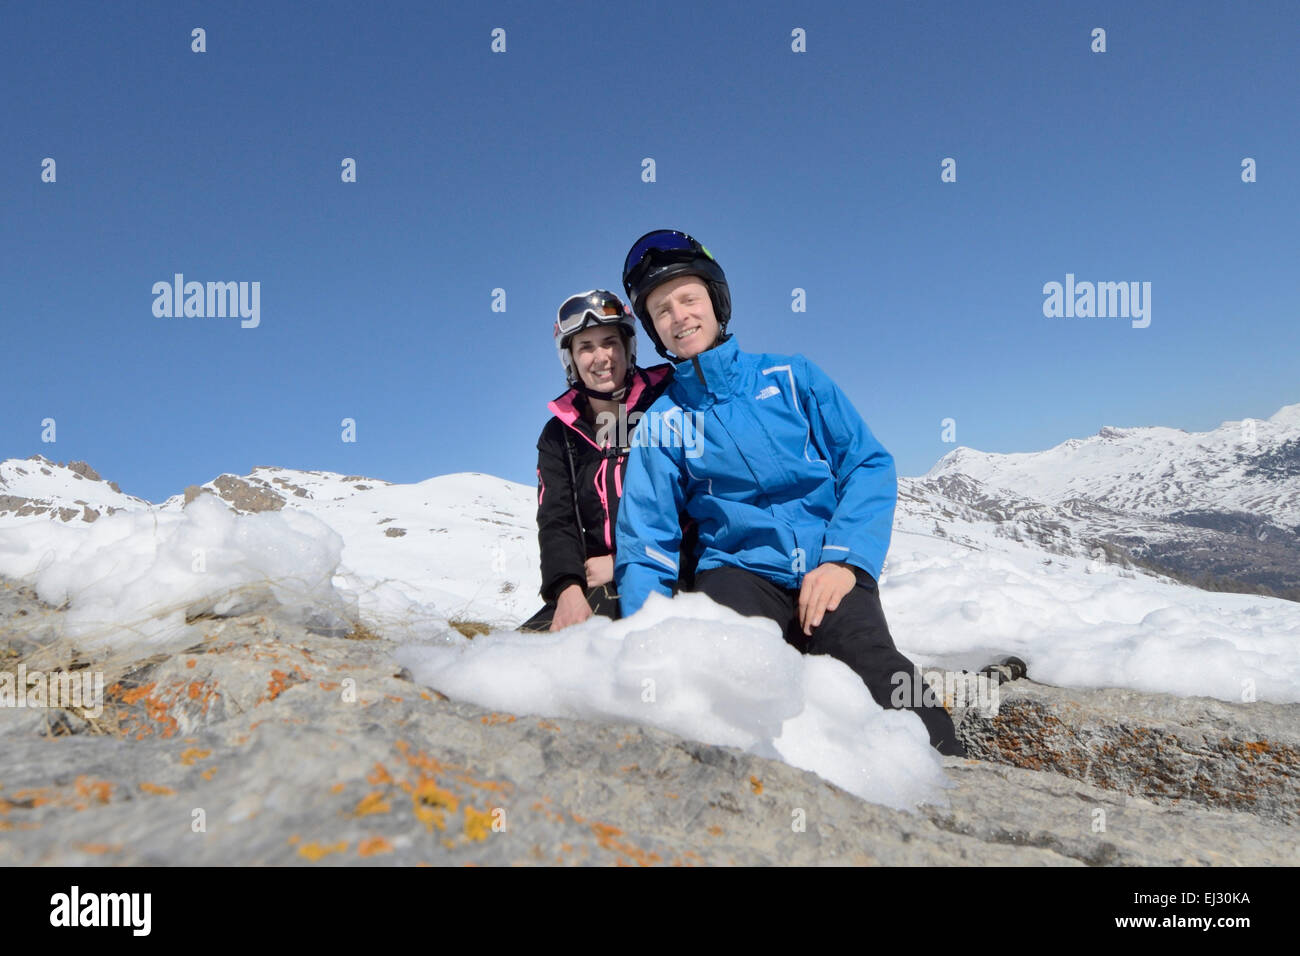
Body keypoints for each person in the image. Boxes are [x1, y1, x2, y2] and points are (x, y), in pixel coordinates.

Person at [613, 230, 967, 756]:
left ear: (717, 301)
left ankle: (953, 777)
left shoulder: (793, 376)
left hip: (828, 565)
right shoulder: (663, 423)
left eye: (689, 298)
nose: (679, 315)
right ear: (653, 328)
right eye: (662, 309)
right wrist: (642, 638)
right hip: (738, 571)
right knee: (727, 681)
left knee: (879, 671)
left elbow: (868, 465)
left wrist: (845, 562)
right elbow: (647, 540)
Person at [518, 289, 678, 632]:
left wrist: (625, 560)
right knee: (514, 661)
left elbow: (699, 500)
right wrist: (567, 588)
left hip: (671, 569)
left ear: (627, 349)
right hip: (595, 580)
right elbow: (556, 517)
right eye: (586, 347)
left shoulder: (665, 406)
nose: (601, 356)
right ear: (571, 359)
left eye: (609, 342)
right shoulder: (559, 434)